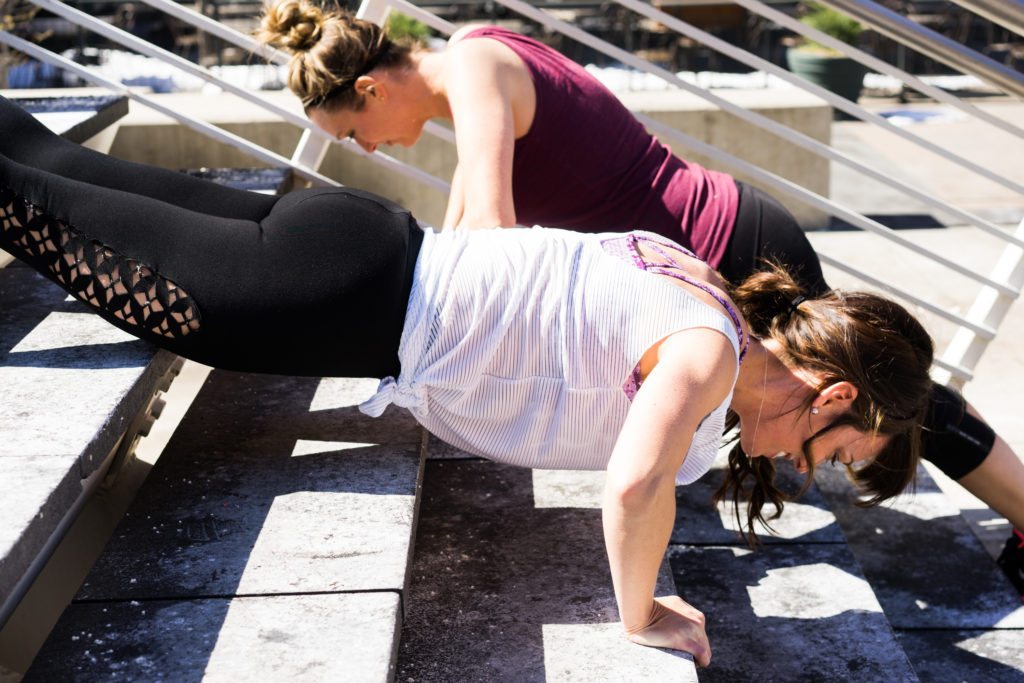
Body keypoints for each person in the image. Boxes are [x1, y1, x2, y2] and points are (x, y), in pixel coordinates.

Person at [0, 94, 935, 664]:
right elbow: (636, 482)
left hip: (359, 251)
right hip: (332, 296)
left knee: (52, 174)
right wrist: (640, 611)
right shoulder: (706, 354)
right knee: (37, 210)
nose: (809, 471)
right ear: (834, 394)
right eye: (837, 452)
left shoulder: (707, 291)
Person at [255, 2, 1024, 596]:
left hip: (727, 245)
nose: (363, 149)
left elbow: (487, 230)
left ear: (371, 87)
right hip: (723, 236)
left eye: (352, 130)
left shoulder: (478, 68)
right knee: (888, 391)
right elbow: (464, 235)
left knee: (900, 394)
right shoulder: (473, 61)